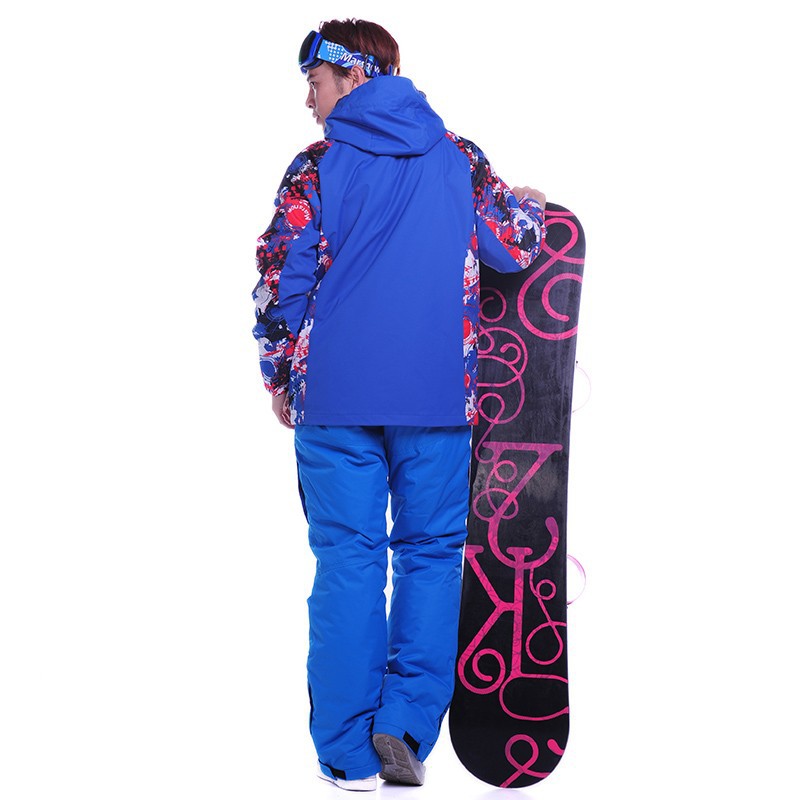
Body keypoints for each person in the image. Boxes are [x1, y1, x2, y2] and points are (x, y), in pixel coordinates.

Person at [252, 18, 546, 792]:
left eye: (315, 83)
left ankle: (348, 756)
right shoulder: (459, 157)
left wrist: (280, 375)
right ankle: (405, 726)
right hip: (437, 396)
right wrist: (529, 205)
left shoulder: (316, 168)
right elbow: (514, 245)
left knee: (349, 559)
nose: (309, 101)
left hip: (336, 398)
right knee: (430, 555)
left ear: (352, 75)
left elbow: (281, 279)